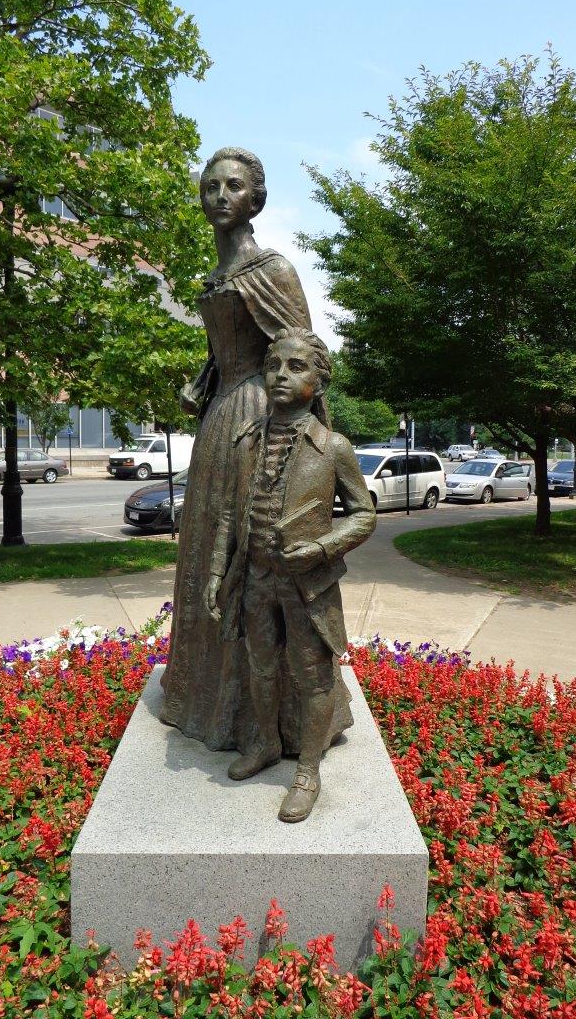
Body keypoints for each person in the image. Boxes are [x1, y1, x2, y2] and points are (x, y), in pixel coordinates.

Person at [160, 148, 344, 754]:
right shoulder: (216, 274)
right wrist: (203, 378)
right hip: (219, 419)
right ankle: (208, 700)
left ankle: (279, 726)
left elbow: (298, 353)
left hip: (262, 416)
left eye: (233, 186)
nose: (219, 195)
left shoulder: (274, 270)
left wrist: (314, 455)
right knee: (210, 545)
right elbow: (231, 349)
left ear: (255, 198)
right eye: (210, 185)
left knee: (255, 556)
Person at [204, 329, 376, 822]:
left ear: (320, 381)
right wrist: (218, 571)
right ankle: (264, 743)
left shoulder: (334, 448)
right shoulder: (247, 440)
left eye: (296, 367)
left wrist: (322, 547)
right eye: (274, 365)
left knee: (313, 675)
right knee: (260, 666)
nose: (281, 375)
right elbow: (229, 516)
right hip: (255, 579)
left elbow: (364, 515)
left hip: (307, 586)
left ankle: (307, 770)